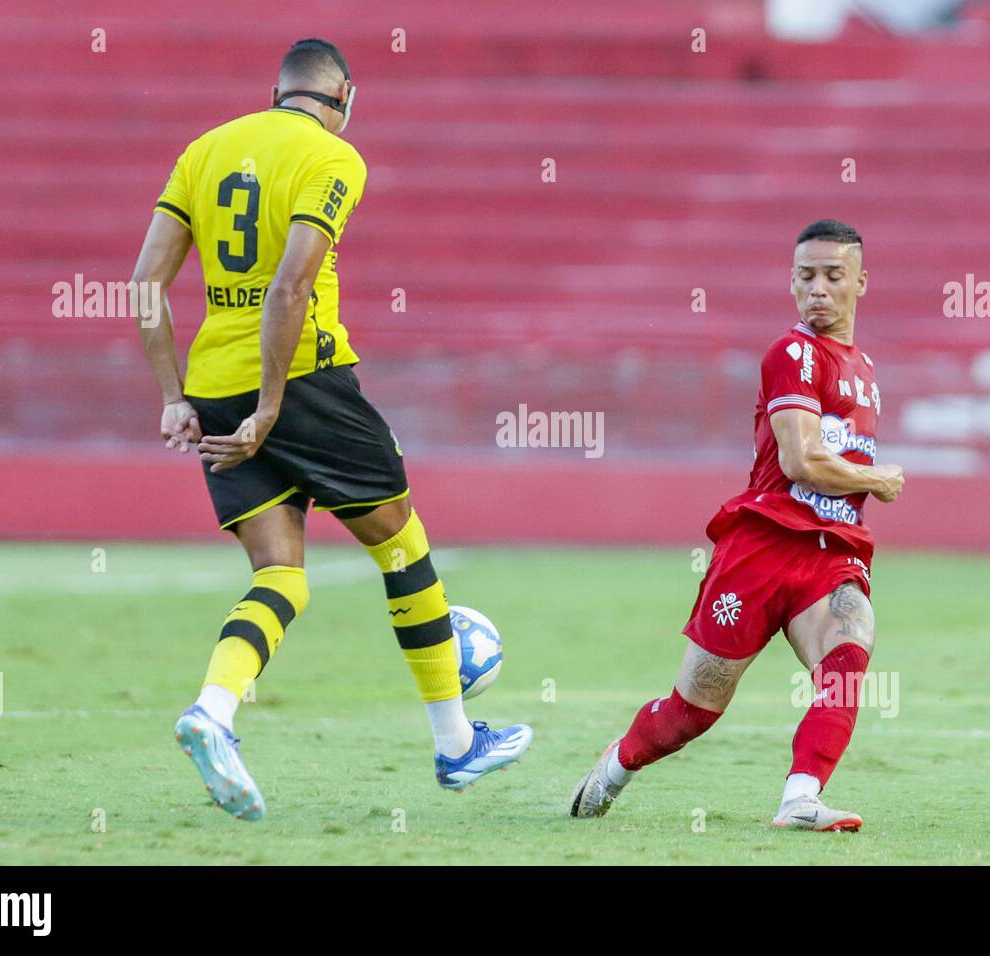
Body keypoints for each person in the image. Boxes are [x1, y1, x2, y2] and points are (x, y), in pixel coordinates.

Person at [129, 37, 531, 821]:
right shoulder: (333, 158)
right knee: (401, 544)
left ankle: (213, 711)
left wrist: (173, 397)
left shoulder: (205, 150)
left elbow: (145, 284)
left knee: (280, 575)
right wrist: (274, 407)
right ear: (343, 94)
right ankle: (455, 744)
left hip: (212, 389)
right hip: (305, 383)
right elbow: (289, 288)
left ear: (277, 88)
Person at [570, 220, 902, 831]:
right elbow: (801, 461)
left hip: (829, 553)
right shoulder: (793, 353)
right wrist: (876, 480)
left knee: (850, 652)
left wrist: (862, 486)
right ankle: (615, 766)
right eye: (806, 277)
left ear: (861, 281)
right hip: (764, 546)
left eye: (833, 276)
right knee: (693, 711)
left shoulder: (865, 368)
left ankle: (800, 798)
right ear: (791, 282)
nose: (819, 290)